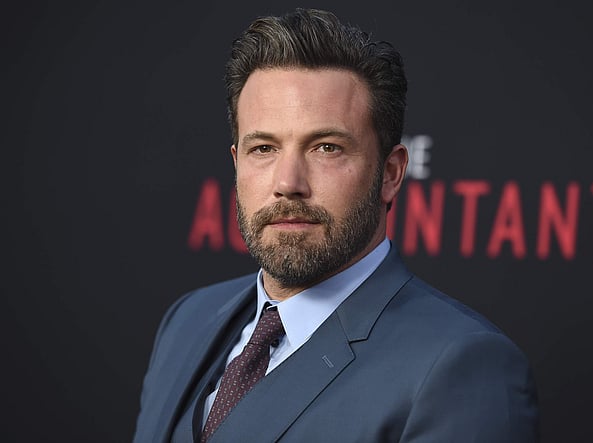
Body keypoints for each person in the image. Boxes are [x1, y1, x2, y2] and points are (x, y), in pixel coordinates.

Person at [133, 8, 539, 443]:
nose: (288, 183)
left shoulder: (464, 366)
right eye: (264, 148)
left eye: (326, 147)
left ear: (390, 173)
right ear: (237, 163)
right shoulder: (187, 320)